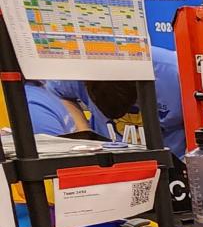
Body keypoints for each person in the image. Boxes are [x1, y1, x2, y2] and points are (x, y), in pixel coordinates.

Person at [47, 45, 186, 157]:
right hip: (111, 162)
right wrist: (85, 133)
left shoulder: (176, 74)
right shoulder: (80, 69)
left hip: (172, 168)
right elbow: (58, 92)